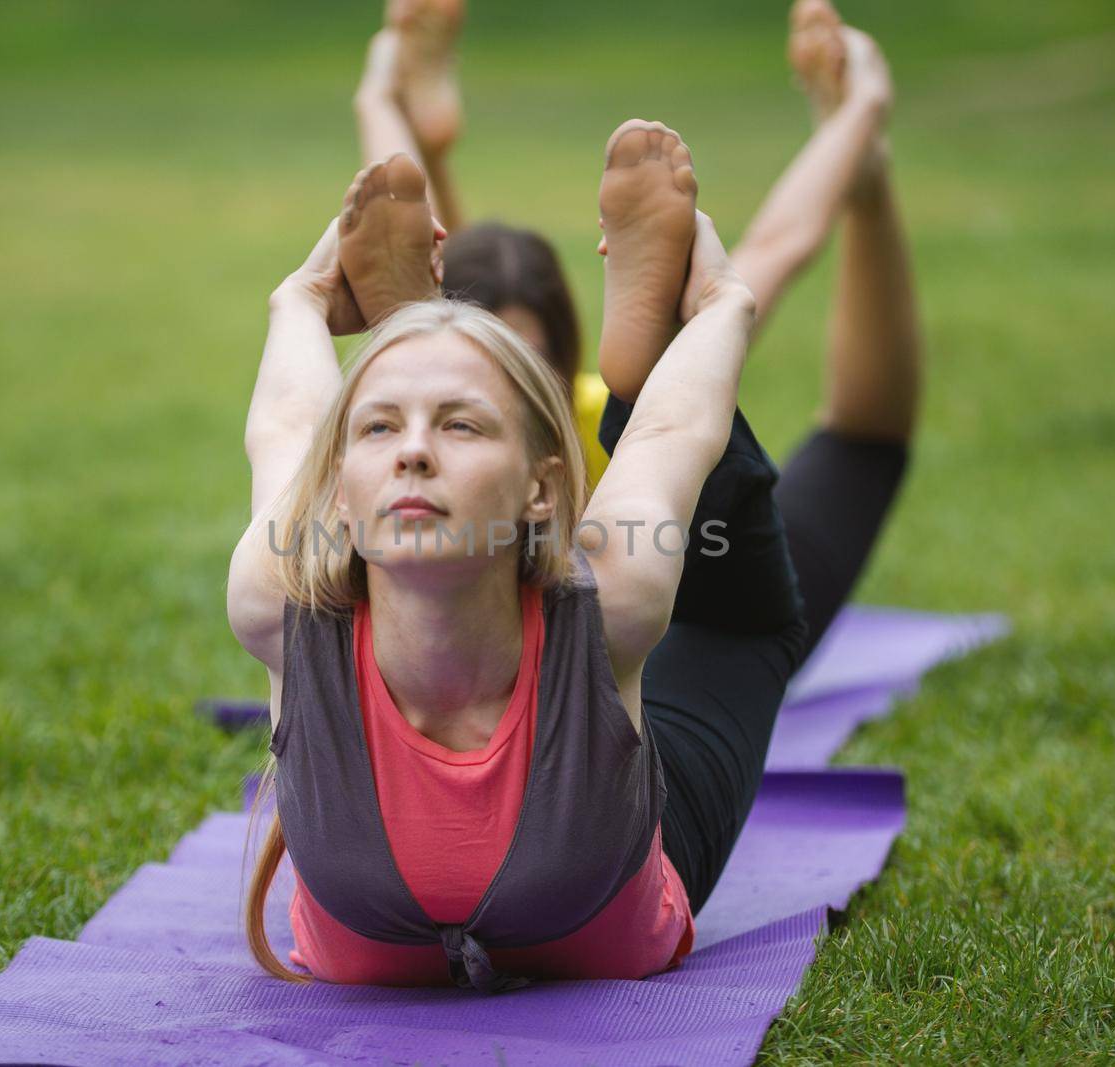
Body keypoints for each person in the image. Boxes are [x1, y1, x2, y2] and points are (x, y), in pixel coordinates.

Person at [228, 0, 921, 990]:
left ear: (545, 472)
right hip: (564, 568)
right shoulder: (284, 588)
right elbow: (290, 429)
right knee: (644, 513)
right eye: (381, 425)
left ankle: (597, 372)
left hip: (612, 608)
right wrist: (298, 299)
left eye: (460, 422)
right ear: (339, 487)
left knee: (685, 547)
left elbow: (680, 431)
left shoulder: (611, 590)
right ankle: (452, 349)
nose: (414, 450)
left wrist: (715, 311)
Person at [349, 0, 915, 496]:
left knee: (432, 316)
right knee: (857, 439)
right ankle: (863, 173)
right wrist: (863, 105)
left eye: (530, 373)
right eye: (499, 375)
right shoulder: (584, 421)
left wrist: (377, 98)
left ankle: (862, 173)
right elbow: (774, 248)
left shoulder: (556, 420)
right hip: (652, 566)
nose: (518, 396)